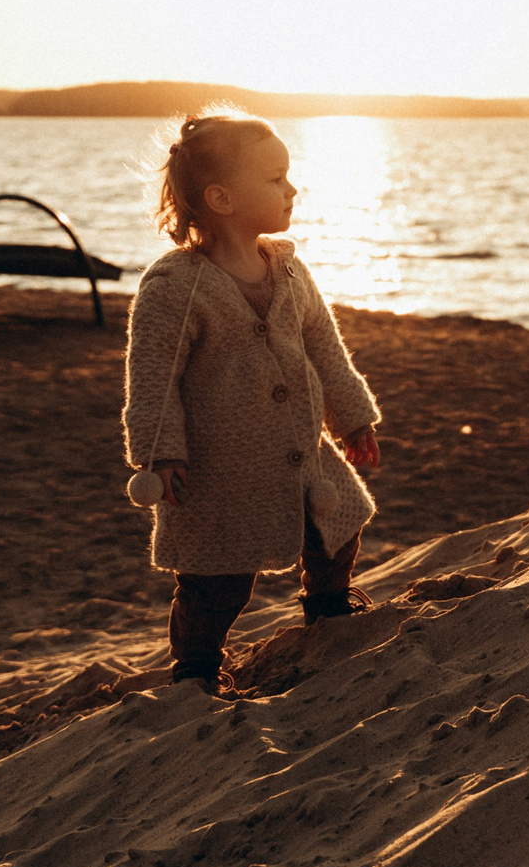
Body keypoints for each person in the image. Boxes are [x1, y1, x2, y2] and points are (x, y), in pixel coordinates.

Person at [121, 111, 384, 694]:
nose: (291, 189)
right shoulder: (176, 286)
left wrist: (352, 417)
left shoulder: (288, 267)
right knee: (216, 578)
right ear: (221, 198)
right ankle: (196, 666)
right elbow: (154, 378)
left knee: (338, 524)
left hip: (301, 451)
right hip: (220, 468)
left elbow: (324, 347)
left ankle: (329, 606)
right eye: (275, 179)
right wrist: (160, 453)